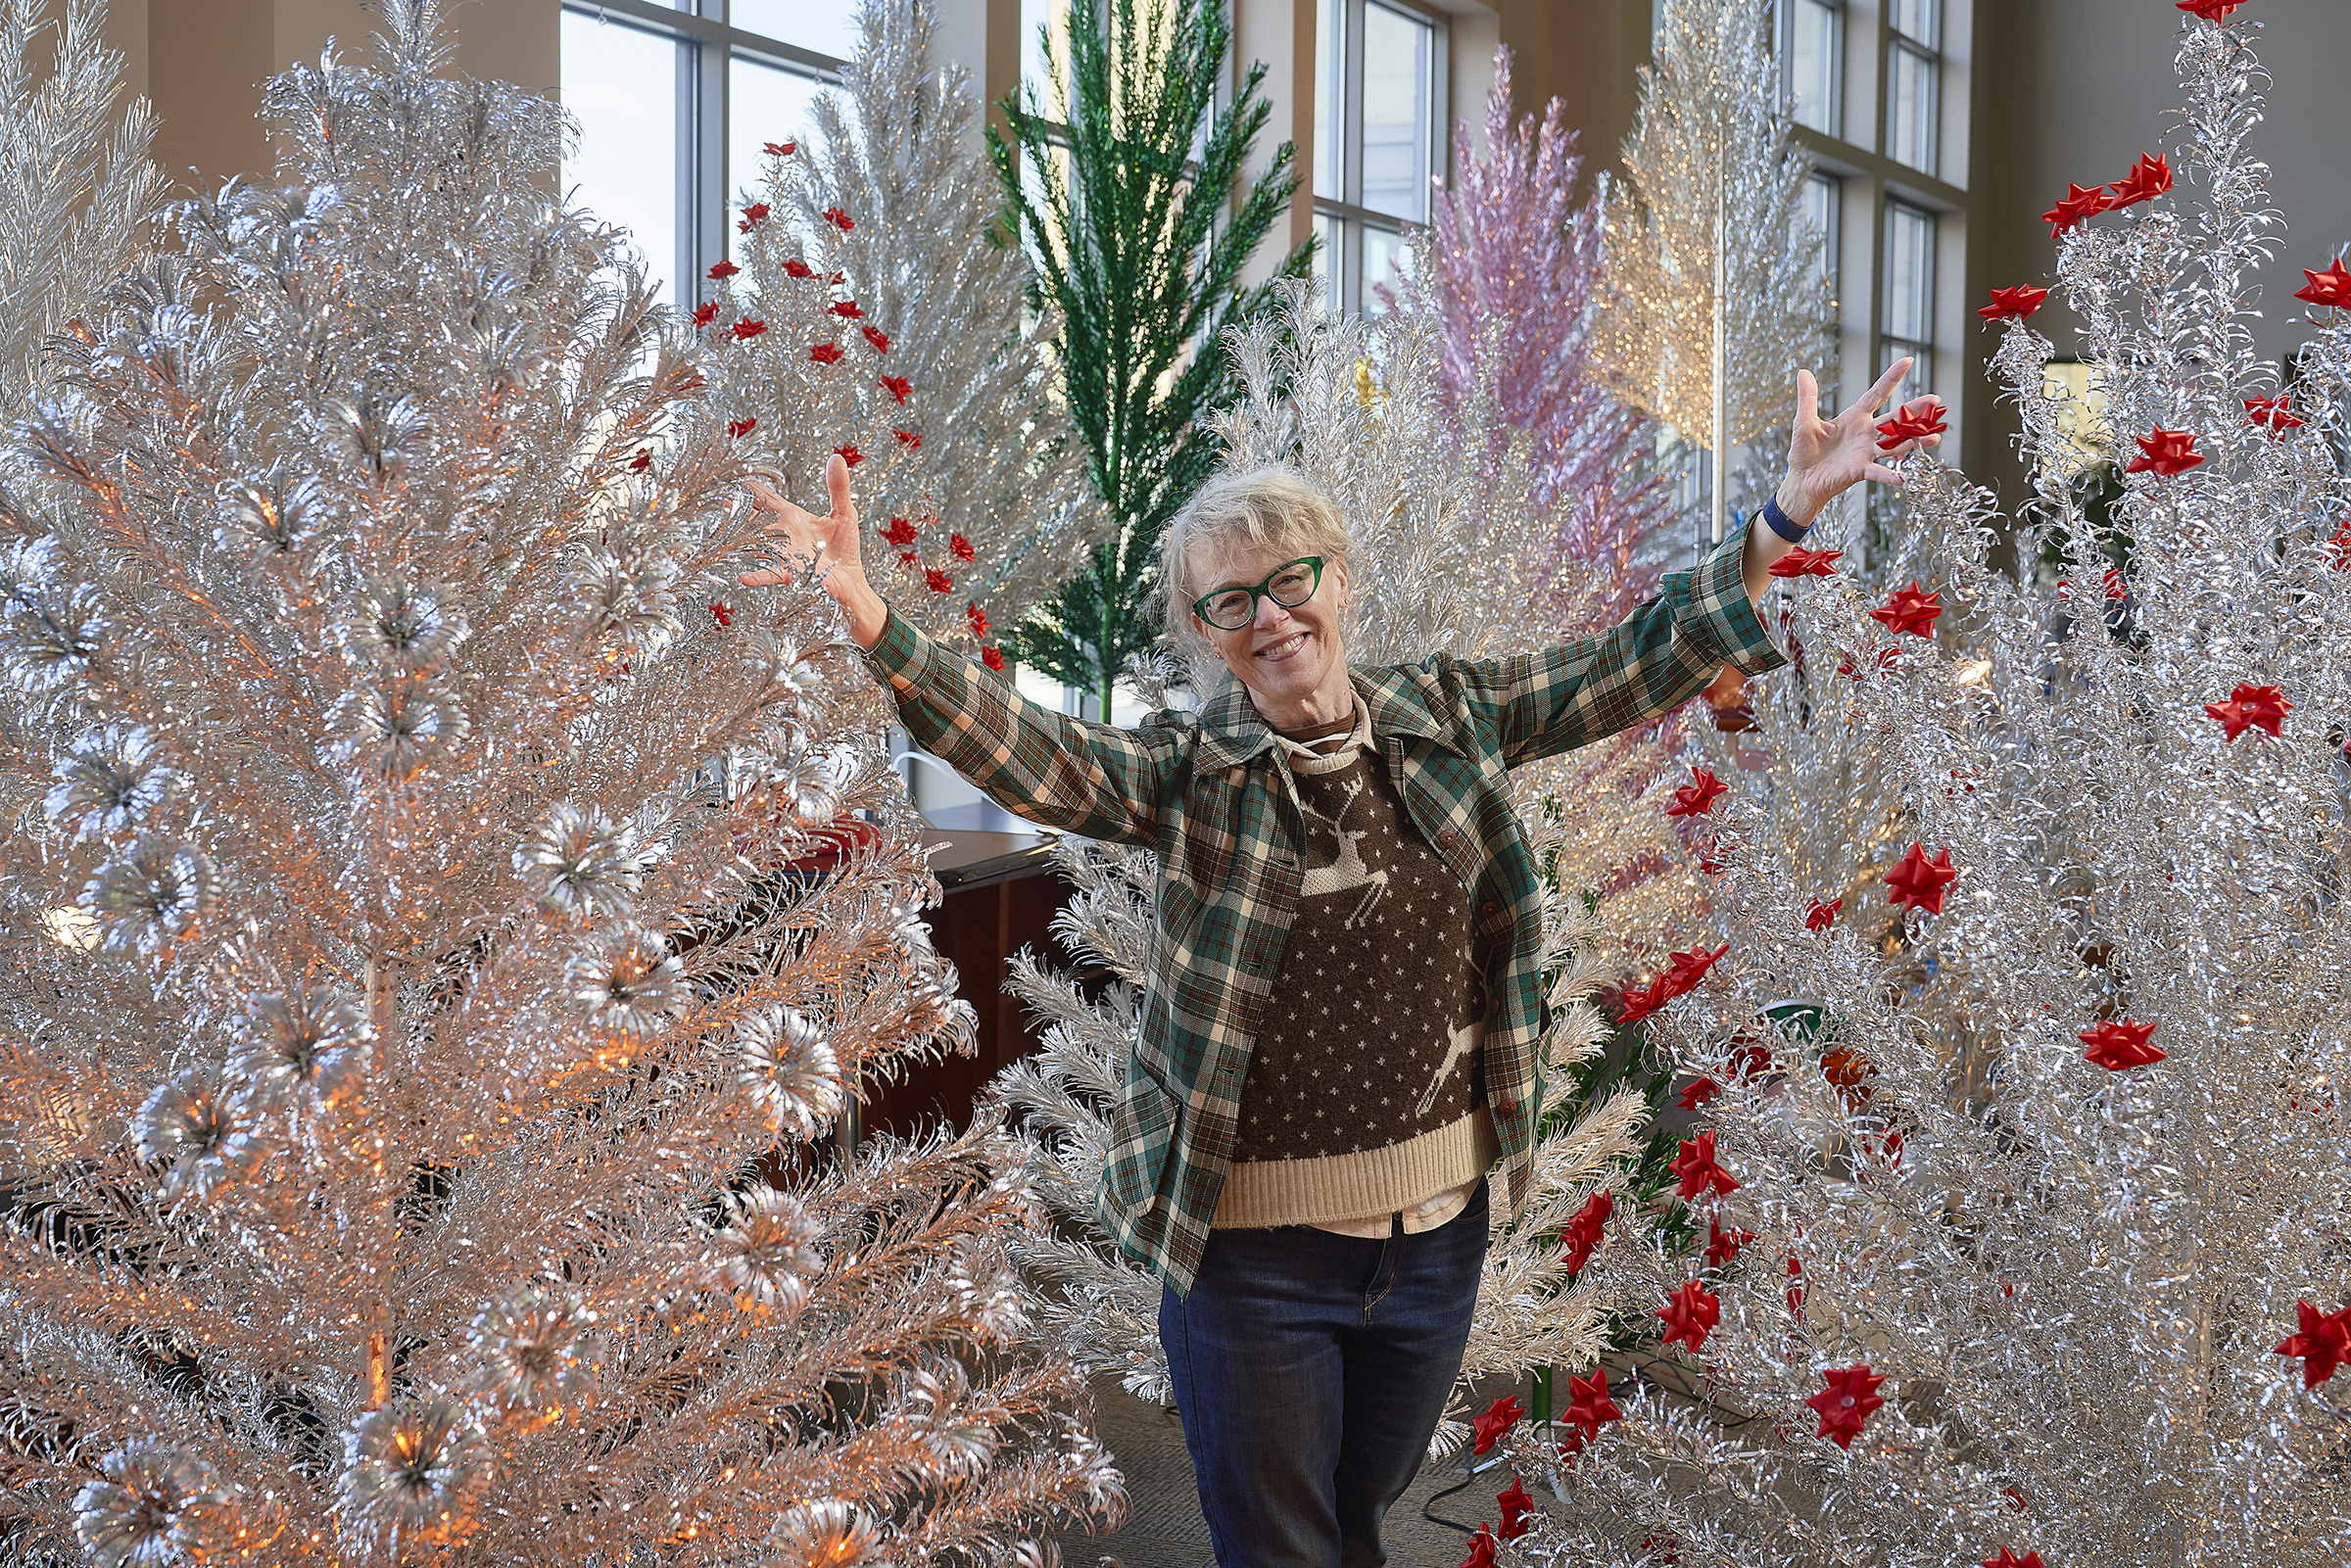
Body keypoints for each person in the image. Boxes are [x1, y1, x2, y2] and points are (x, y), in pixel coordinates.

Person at [745, 362, 1943, 1568]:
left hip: (1435, 1242)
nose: (1269, 616)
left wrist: (1782, 516)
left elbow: (1635, 659)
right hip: (1253, 1261)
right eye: (1231, 603)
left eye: (1289, 580)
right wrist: (873, 620)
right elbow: (1035, 751)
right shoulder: (1187, 778)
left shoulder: (1453, 713)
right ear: (1207, 638)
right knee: (1284, 1552)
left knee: (1353, 1530)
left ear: (1337, 583)